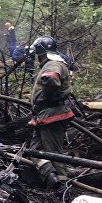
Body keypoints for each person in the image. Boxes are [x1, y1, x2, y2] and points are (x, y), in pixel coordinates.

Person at [28, 36, 74, 187]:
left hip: (51, 113)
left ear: (41, 52)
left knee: (54, 153)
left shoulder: (53, 64)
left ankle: (62, 186)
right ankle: (51, 177)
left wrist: (46, 99)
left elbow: (52, 80)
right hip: (44, 114)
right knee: (35, 150)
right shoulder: (53, 63)